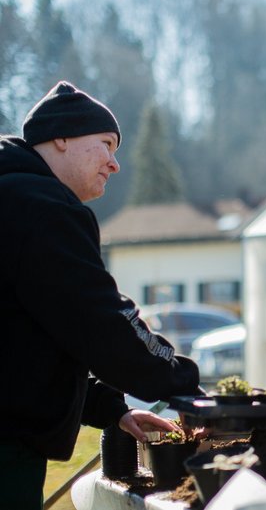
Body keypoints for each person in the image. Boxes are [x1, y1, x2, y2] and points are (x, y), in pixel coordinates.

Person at [0, 81, 202, 509]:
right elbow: (99, 319)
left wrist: (113, 410)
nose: (115, 164)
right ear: (61, 138)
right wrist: (184, 383)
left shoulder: (14, 198)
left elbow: (30, 341)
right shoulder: (44, 209)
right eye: (107, 145)